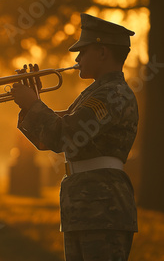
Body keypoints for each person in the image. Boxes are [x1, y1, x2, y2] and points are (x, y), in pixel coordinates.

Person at [10, 13, 138, 261]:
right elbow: (47, 140)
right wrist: (31, 106)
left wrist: (35, 104)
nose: (77, 58)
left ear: (102, 52)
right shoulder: (94, 93)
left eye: (83, 51)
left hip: (104, 209)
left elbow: (66, 136)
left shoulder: (112, 94)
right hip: (83, 208)